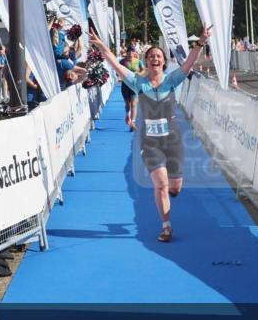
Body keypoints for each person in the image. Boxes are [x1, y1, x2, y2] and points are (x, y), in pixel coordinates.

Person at [89, 24, 212, 243]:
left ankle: (173, 191)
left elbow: (190, 62)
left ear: (164, 62)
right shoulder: (138, 83)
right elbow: (116, 65)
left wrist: (201, 41)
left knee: (175, 187)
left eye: (158, 56)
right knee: (161, 185)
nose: (155, 58)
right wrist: (101, 46)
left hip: (173, 141)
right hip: (150, 143)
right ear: (146, 62)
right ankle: (166, 226)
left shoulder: (172, 80)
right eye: (151, 56)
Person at [119, 47, 142, 131]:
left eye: (132, 52)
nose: (130, 53)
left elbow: (144, 71)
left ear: (134, 53)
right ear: (127, 52)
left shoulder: (138, 62)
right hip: (125, 86)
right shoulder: (122, 62)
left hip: (135, 86)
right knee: (127, 104)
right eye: (129, 52)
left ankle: (133, 123)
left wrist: (139, 73)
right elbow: (117, 71)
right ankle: (127, 114)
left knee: (134, 104)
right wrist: (119, 76)